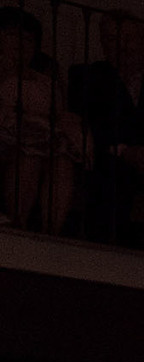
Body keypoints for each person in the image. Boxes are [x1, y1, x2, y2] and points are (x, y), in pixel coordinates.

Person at [67, 9, 144, 253]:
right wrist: (124, 151)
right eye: (113, 39)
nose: (123, 46)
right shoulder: (86, 77)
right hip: (109, 160)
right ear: (103, 43)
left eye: (130, 38)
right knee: (109, 179)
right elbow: (85, 122)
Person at [0, 6, 83, 235]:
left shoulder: (45, 81)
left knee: (61, 160)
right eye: (12, 36)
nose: (21, 44)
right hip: (9, 137)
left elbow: (57, 113)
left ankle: (51, 229)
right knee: (29, 155)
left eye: (27, 39)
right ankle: (19, 223)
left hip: (42, 137)